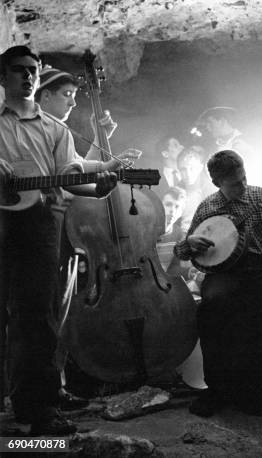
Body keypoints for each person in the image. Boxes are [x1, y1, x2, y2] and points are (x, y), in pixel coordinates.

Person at [0, 45, 117, 436]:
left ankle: (40, 408)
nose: (28, 76)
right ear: (4, 77)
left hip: (36, 228)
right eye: (19, 70)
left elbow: (70, 175)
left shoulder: (56, 130)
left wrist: (98, 188)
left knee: (37, 320)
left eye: (33, 70)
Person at [173, 149, 262, 416]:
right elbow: (182, 253)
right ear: (217, 183)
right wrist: (189, 243)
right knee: (211, 309)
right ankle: (216, 391)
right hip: (225, 275)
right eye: (235, 183)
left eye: (244, 177)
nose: (243, 185)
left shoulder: (260, 196)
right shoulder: (208, 207)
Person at [35, 66, 141, 168]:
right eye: (67, 94)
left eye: (74, 96)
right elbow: (73, 177)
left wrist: (100, 137)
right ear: (46, 95)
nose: (73, 103)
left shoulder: (58, 130)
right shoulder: (35, 130)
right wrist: (105, 170)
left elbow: (79, 170)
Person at [176, 145, 215, 230]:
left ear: (200, 168)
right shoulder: (175, 192)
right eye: (183, 169)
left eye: (192, 168)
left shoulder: (213, 192)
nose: (188, 173)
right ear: (178, 170)